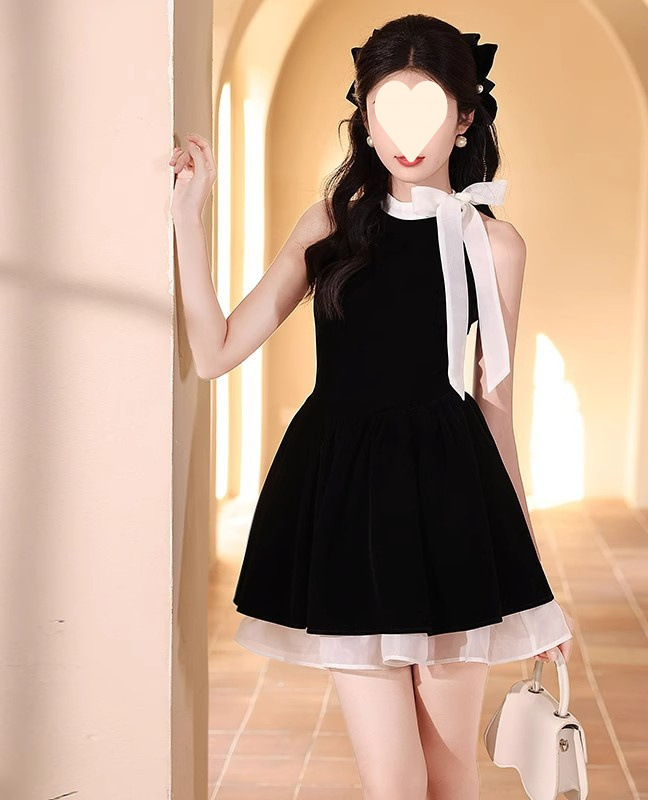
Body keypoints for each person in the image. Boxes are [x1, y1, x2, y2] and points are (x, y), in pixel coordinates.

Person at [170, 13, 574, 800]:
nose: (406, 136)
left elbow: (496, 410)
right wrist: (188, 219)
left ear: (466, 117)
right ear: (365, 117)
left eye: (428, 110)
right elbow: (215, 351)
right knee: (394, 781)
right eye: (387, 108)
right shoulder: (330, 226)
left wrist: (534, 587)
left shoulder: (493, 245)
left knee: (451, 775)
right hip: (350, 508)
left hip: (452, 508)